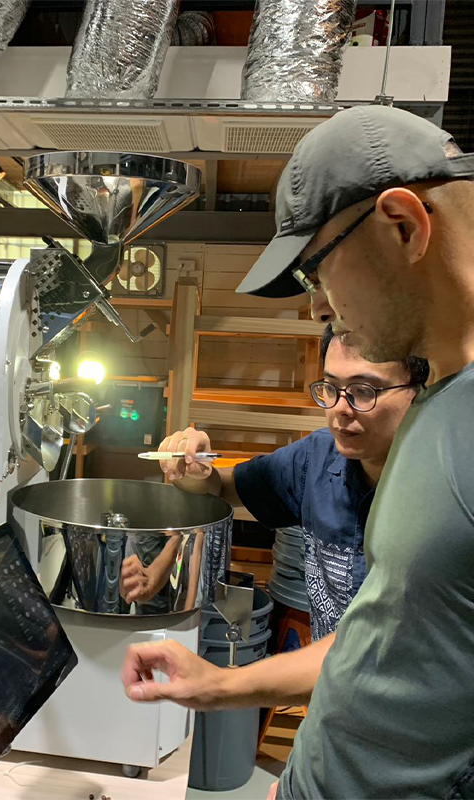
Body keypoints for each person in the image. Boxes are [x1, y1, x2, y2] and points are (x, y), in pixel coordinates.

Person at [122, 105, 474, 799]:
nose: (317, 309)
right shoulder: (439, 401)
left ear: (403, 225)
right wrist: (222, 688)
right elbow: (383, 638)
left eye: (317, 270)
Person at [120, 328, 426, 711]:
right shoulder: (317, 459)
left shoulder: (442, 494)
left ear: (419, 391)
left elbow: (374, 652)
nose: (340, 409)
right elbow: (221, 487)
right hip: (336, 709)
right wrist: (194, 468)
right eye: (330, 388)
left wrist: (220, 684)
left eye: (364, 391)